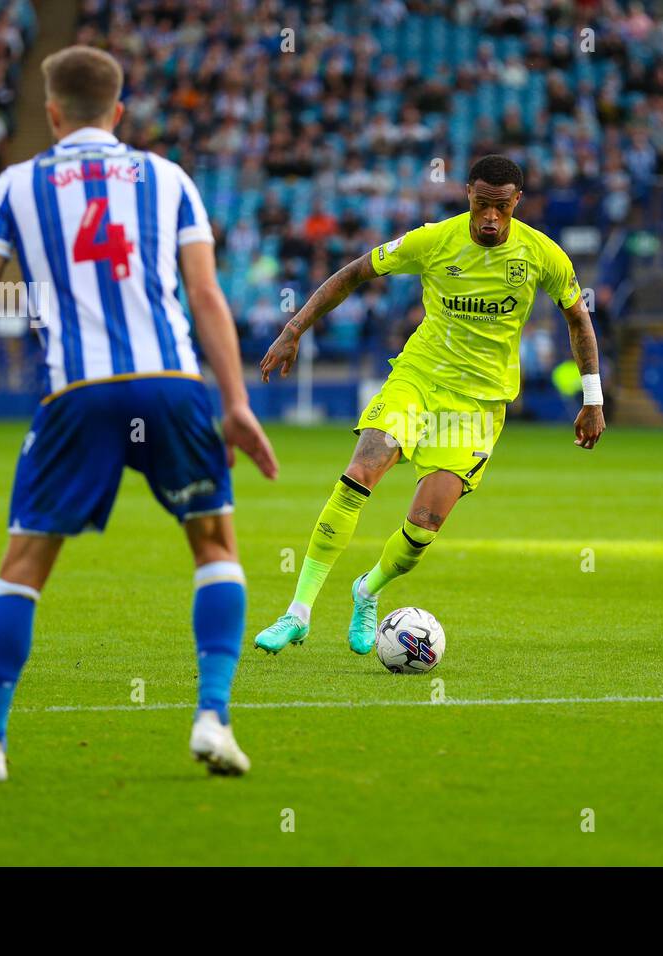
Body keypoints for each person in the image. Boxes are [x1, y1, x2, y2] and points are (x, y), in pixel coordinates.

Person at [0, 46, 278, 781]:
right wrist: (233, 401)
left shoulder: (16, 185)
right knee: (215, 546)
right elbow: (205, 297)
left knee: (24, 565)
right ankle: (214, 718)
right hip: (171, 383)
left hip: (78, 391)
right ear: (119, 110)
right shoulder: (169, 180)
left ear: (49, 113)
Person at [252, 155, 605, 655]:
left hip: (479, 405)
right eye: (482, 204)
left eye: (500, 207)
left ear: (516, 203)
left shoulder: (543, 256)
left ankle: (367, 590)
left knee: (424, 528)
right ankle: (298, 612)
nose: (489, 217)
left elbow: (578, 320)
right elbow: (353, 274)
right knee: (362, 471)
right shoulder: (434, 240)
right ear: (467, 195)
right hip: (419, 378)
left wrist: (593, 399)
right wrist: (293, 330)